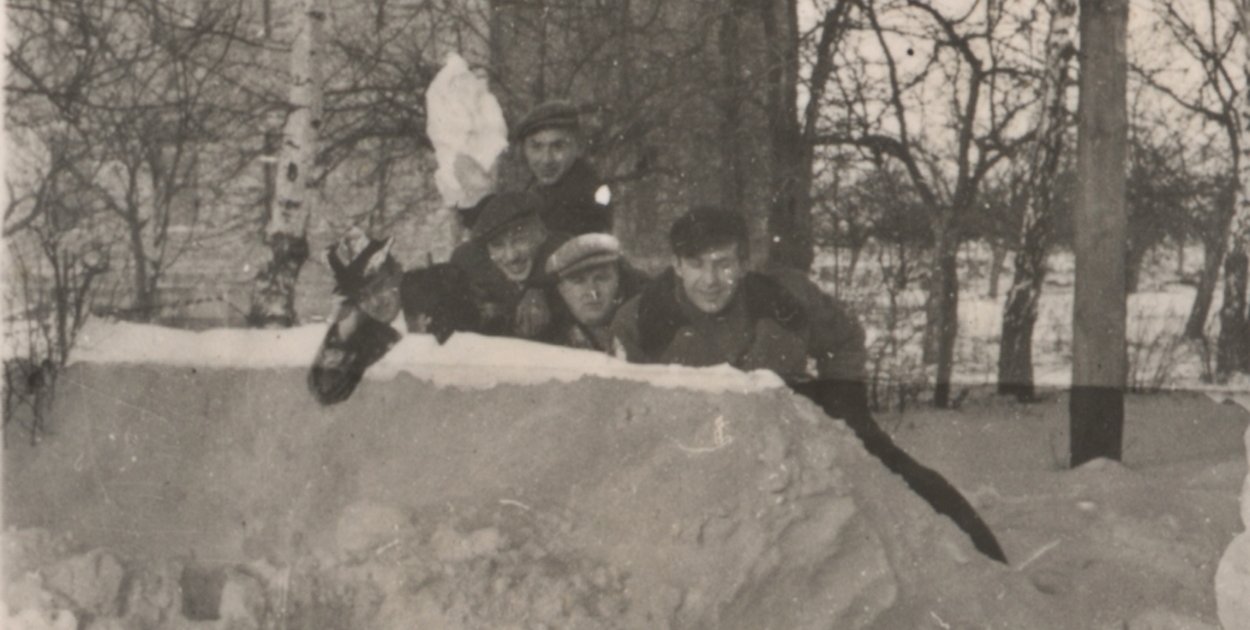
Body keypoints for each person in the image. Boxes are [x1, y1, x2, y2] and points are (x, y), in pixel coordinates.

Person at [611, 206, 1008, 564]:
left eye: (723, 263)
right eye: (696, 265)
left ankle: (989, 563)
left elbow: (844, 338)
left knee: (897, 474)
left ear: (744, 263)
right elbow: (630, 409)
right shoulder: (642, 320)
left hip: (791, 426)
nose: (710, 280)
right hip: (702, 446)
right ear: (676, 266)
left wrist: (846, 409)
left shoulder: (785, 296)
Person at [449, 191, 561, 338]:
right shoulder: (471, 260)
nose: (511, 256)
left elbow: (562, 247)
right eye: (497, 245)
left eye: (519, 240)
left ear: (541, 235)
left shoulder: (558, 249)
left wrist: (537, 287)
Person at [511, 99, 612, 235]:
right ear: (524, 149)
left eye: (558, 146)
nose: (546, 159)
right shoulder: (544, 187)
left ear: (578, 147)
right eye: (536, 147)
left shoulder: (578, 202)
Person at [539, 233, 647, 352]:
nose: (592, 292)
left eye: (601, 278)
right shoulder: (548, 343)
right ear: (562, 290)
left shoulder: (643, 330)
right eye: (579, 281)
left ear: (619, 281)